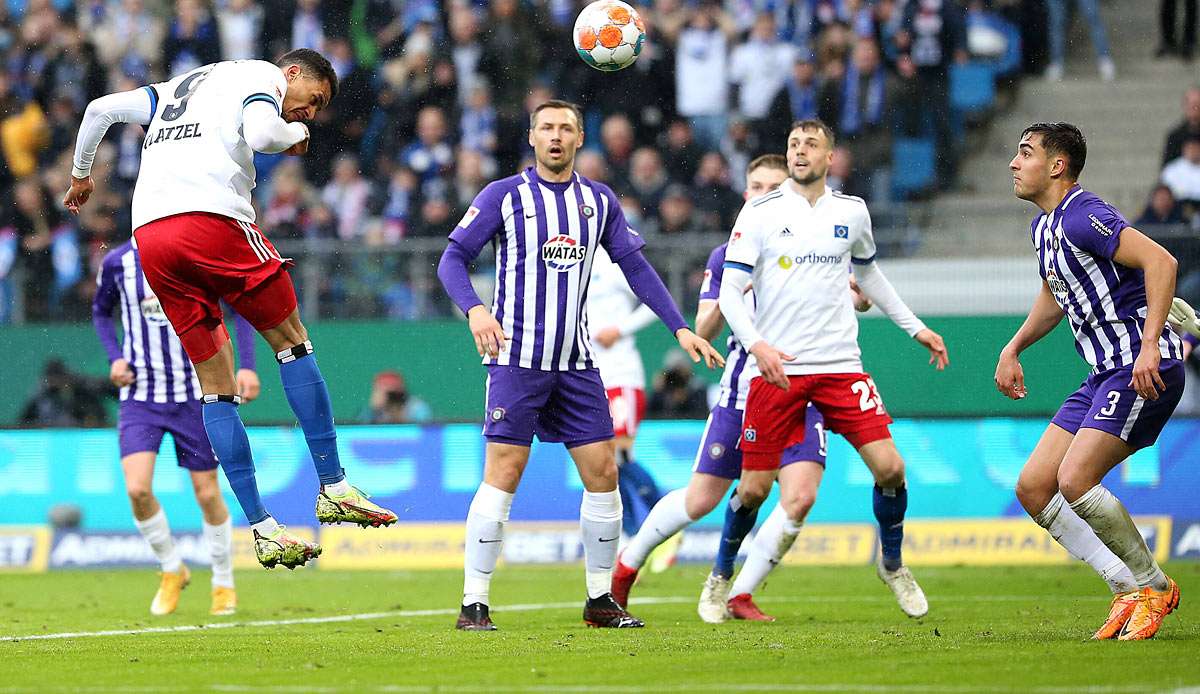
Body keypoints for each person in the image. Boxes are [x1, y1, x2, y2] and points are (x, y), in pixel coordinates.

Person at [63, 49, 398, 571]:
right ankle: (334, 484)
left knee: (216, 387)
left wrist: (81, 173)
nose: (309, 112)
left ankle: (263, 529)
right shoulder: (260, 76)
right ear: (293, 74)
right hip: (210, 219)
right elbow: (266, 135)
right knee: (292, 341)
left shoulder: (172, 88)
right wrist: (296, 139)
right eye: (314, 100)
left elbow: (99, 110)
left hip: (151, 238)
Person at [436, 99, 724, 631]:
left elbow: (636, 267)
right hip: (516, 359)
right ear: (531, 136)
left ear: (578, 139)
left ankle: (599, 600)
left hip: (577, 362)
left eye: (565, 128)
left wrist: (680, 327)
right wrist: (476, 310)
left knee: (605, 472)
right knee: (504, 473)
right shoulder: (502, 196)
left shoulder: (599, 201)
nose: (555, 136)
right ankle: (473, 601)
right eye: (546, 127)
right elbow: (451, 259)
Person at [716, 119, 949, 622]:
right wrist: (758, 347)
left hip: (841, 366)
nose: (800, 151)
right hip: (779, 370)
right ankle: (720, 575)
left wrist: (915, 328)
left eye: (811, 144)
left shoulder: (852, 212)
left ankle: (892, 563)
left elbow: (868, 276)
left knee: (891, 468)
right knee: (754, 489)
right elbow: (729, 293)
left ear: (830, 157)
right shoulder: (758, 213)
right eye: (793, 143)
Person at [997, 122, 1185, 640]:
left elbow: (1161, 261)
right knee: (1035, 487)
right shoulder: (1044, 227)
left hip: (1140, 364)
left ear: (1057, 166)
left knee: (1074, 479)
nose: (1014, 163)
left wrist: (1149, 344)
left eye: (1025, 153)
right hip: (1105, 371)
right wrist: (1014, 347)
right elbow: (1056, 295)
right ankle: (1126, 586)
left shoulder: (1083, 214)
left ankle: (1153, 586)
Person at [93, 240, 259, 616]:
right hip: (141, 396)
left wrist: (246, 365)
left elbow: (237, 309)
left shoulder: (192, 252)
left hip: (196, 393)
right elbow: (100, 312)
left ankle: (223, 581)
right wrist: (115, 357)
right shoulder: (118, 263)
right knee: (137, 489)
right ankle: (171, 568)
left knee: (206, 492)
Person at [587, 246, 663, 536]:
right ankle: (631, 535)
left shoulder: (611, 264)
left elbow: (655, 301)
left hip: (621, 373)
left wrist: (620, 329)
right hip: (591, 376)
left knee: (618, 454)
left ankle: (662, 518)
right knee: (605, 462)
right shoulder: (572, 264)